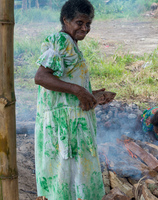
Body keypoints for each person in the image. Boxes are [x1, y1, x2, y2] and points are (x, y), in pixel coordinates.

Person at [34, 0, 105, 199]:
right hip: (63, 126)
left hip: (72, 122)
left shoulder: (72, 45)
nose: (85, 28)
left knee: (74, 178)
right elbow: (41, 77)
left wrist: (91, 94)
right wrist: (77, 90)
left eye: (88, 24)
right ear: (65, 20)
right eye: (80, 22)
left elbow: (67, 81)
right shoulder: (61, 41)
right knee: (65, 176)